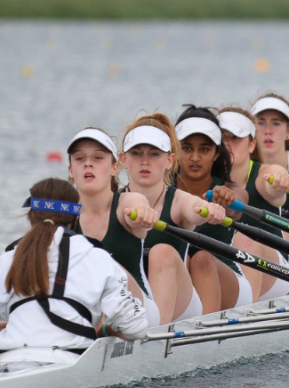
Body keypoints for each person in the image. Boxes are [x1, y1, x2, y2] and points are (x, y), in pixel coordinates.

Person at [0, 178, 148, 353]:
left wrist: (5, 326)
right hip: (71, 361)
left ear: (30, 217)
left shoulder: (6, 261)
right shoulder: (98, 259)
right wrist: (106, 330)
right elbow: (136, 328)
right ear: (76, 217)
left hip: (8, 357)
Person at [120, 112, 227, 323]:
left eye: (154, 154)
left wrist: (208, 209)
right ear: (123, 159)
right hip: (135, 300)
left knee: (162, 253)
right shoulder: (113, 202)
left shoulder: (178, 200)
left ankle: (153, 337)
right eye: (136, 154)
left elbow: (193, 207)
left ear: (169, 161)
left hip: (181, 305)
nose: (145, 162)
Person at [67, 127, 162, 328]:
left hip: (140, 311)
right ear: (71, 171)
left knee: (97, 259)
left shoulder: (127, 202)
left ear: (114, 168)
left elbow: (137, 205)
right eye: (79, 159)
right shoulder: (64, 215)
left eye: (98, 158)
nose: (88, 164)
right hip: (90, 310)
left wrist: (142, 214)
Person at [174, 106, 254, 313]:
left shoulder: (230, 190)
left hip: (229, 284)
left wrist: (228, 201)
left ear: (217, 153)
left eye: (204, 149)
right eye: (187, 148)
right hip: (179, 279)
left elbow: (239, 203)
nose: (195, 157)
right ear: (174, 150)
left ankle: (205, 333)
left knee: (200, 257)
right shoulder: (162, 189)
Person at [217, 106, 289, 301]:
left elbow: (276, 175)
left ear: (252, 145)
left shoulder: (263, 174)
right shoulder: (205, 177)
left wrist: (280, 180)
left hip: (275, 272)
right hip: (225, 265)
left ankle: (245, 314)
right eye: (222, 139)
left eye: (235, 139)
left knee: (245, 240)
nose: (227, 145)